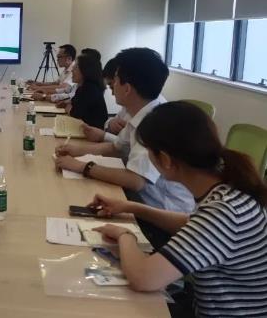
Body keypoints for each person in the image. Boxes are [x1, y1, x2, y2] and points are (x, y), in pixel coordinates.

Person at [90, 101, 267, 317]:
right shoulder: (226, 187)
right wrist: (131, 207)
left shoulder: (225, 213)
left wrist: (125, 235)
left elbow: (143, 278)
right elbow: (192, 223)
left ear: (165, 159)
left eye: (148, 152)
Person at [55, 48, 194, 213]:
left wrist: (82, 166)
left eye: (115, 79)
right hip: (141, 199)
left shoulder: (155, 122)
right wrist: (78, 150)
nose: (112, 86)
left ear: (127, 89)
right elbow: (116, 147)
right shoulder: (139, 110)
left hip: (161, 212)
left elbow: (135, 181)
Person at [65, 54, 108, 128]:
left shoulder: (90, 89)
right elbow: (72, 103)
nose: (72, 70)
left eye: (76, 67)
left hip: (92, 132)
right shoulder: (82, 87)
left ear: (85, 70)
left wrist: (69, 109)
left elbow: (75, 113)